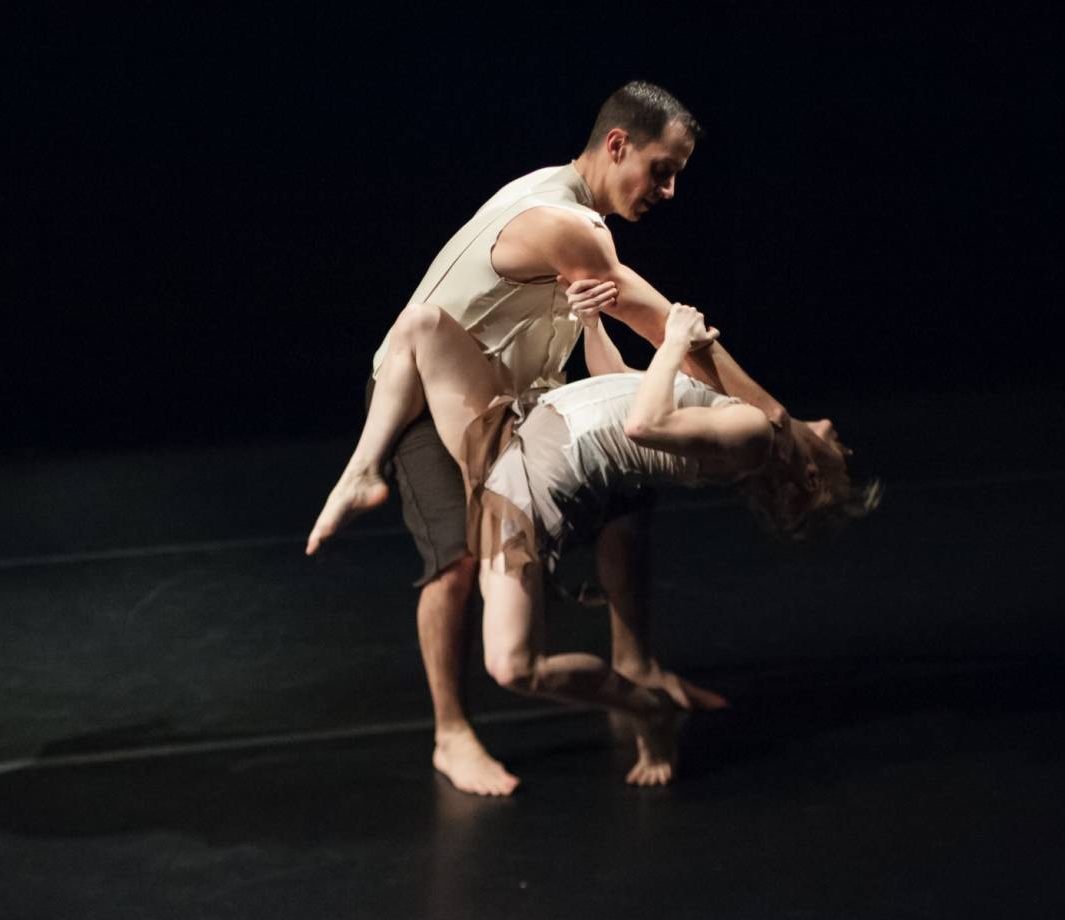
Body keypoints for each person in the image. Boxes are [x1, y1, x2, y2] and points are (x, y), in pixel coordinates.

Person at [342, 81, 790, 797]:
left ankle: (636, 666)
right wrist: (782, 421)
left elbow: (609, 359)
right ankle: (450, 733)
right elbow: (666, 328)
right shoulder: (564, 221)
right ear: (618, 146)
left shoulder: (581, 220)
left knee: (629, 496)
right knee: (458, 561)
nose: (669, 191)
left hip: (518, 402)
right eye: (662, 170)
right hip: (430, 398)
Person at [308, 299, 870, 784]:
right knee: (422, 323)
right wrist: (593, 321)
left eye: (839, 455)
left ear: (811, 476)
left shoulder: (750, 437)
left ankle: (645, 707)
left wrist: (673, 340)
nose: (836, 434)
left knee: (513, 666)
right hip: (513, 428)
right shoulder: (743, 410)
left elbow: (642, 423)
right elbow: (622, 383)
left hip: (525, 491)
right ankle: (362, 472)